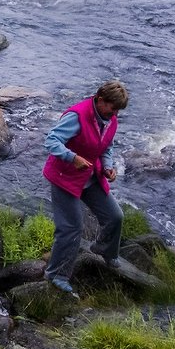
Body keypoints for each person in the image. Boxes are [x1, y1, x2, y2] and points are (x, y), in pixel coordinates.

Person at [42, 80, 129, 297]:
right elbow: (51, 140)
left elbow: (106, 146)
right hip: (65, 177)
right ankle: (56, 275)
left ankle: (104, 249)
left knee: (115, 216)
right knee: (71, 228)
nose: (115, 112)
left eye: (118, 109)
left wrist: (108, 167)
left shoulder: (110, 119)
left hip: (91, 176)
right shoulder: (77, 116)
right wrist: (71, 157)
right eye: (112, 107)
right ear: (100, 99)